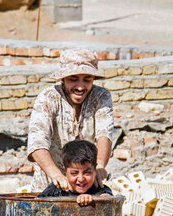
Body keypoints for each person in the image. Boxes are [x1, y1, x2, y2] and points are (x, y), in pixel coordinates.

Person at [28, 48, 114, 192]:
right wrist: (57, 175)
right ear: (63, 79)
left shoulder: (101, 96)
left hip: (85, 183)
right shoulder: (48, 98)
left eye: (87, 80)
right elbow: (37, 143)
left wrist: (99, 167)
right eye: (73, 79)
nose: (80, 87)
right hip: (49, 182)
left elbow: (104, 133)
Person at [38, 140, 113, 205]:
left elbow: (108, 198)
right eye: (74, 173)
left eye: (87, 172)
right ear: (65, 171)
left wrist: (93, 199)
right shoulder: (56, 189)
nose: (80, 179)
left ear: (95, 170)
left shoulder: (99, 188)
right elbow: (36, 203)